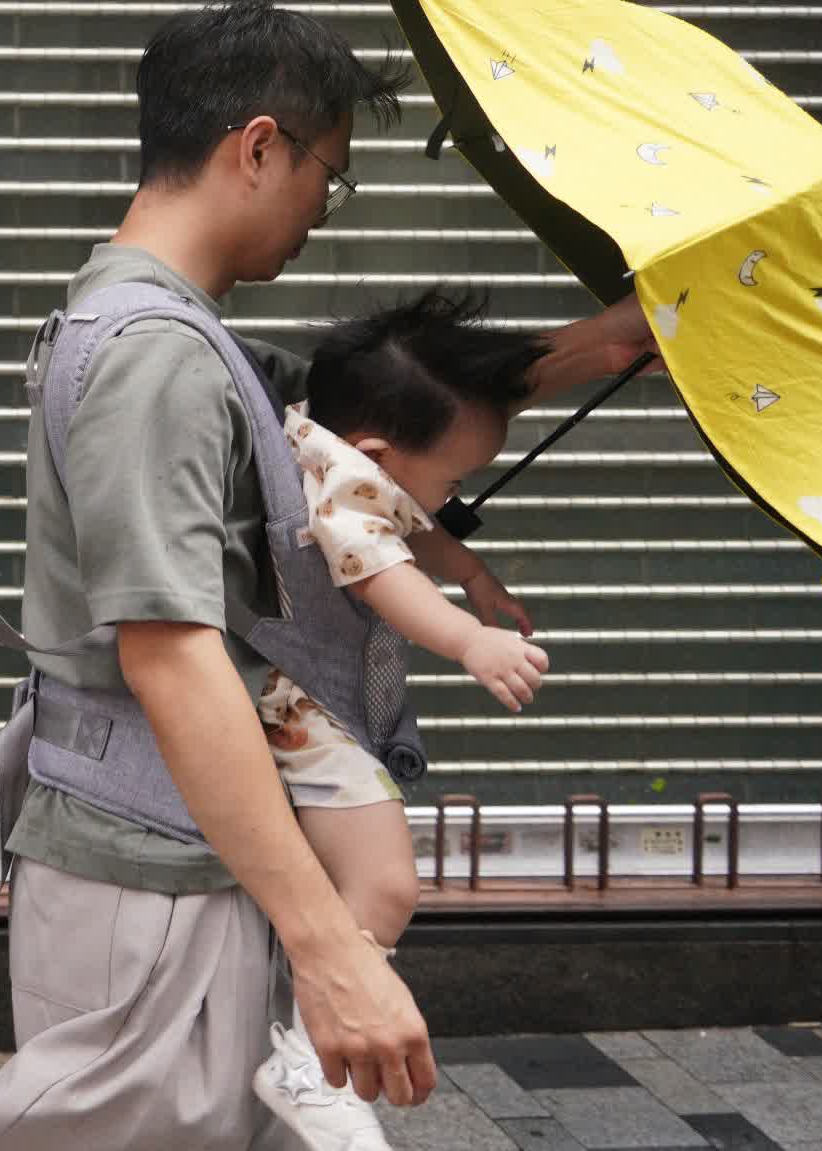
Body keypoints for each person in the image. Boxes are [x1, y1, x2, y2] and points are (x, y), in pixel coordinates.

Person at [0, 4, 663, 1149]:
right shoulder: (155, 359)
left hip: (171, 847)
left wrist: (585, 351)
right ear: (256, 147)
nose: (320, 210)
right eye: (327, 176)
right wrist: (326, 942)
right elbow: (169, 649)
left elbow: (380, 415)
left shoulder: (177, 335)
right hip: (147, 864)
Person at [250, 290, 555, 1148]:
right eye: (456, 478)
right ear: (379, 452)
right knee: (386, 884)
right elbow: (386, 564)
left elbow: (410, 523)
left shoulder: (322, 445)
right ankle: (308, 1058)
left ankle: (299, 1037)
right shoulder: (346, 496)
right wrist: (472, 641)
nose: (456, 494)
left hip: (296, 700)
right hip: (306, 710)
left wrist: (473, 572)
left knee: (356, 882)